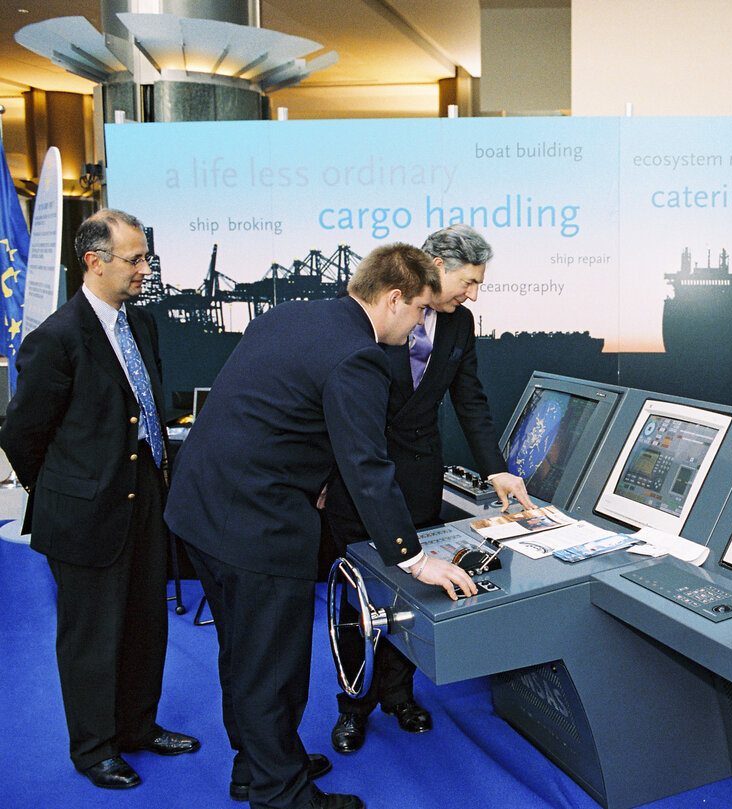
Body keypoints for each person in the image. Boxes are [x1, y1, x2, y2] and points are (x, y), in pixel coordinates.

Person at [163, 243, 478, 809]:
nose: (416, 330)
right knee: (273, 667)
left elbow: (281, 410)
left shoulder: (294, 314)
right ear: (394, 298)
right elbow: (367, 465)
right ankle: (283, 796)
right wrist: (413, 556)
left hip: (198, 509)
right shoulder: (358, 355)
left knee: (241, 652)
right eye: (418, 314)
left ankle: (258, 764)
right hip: (254, 527)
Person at [0, 209, 199, 789]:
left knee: (145, 625)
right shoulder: (56, 339)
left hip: (144, 504)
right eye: (134, 259)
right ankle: (94, 750)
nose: (145, 269)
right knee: (92, 638)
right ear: (94, 262)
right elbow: (20, 434)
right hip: (85, 515)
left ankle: (139, 727)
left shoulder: (143, 325)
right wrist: (69, 491)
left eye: (145, 257)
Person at [322, 224, 534, 753]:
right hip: (357, 476)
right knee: (360, 599)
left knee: (414, 592)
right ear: (436, 265)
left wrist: (496, 468)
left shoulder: (460, 324)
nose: (474, 293)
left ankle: (399, 694)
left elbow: (471, 399)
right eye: (469, 280)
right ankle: (354, 705)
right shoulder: (373, 312)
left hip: (418, 477)